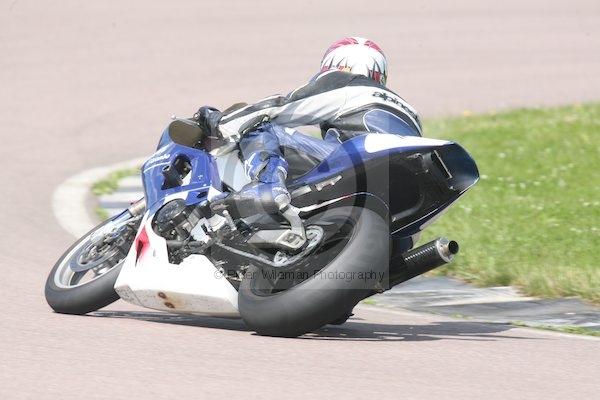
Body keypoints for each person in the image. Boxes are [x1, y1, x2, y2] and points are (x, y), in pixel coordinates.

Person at [195, 36, 422, 212]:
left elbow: (277, 107)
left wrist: (219, 123)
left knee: (261, 126)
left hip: (363, 160)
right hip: (410, 183)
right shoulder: (410, 112)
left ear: (335, 66)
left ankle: (267, 185)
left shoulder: (345, 82)